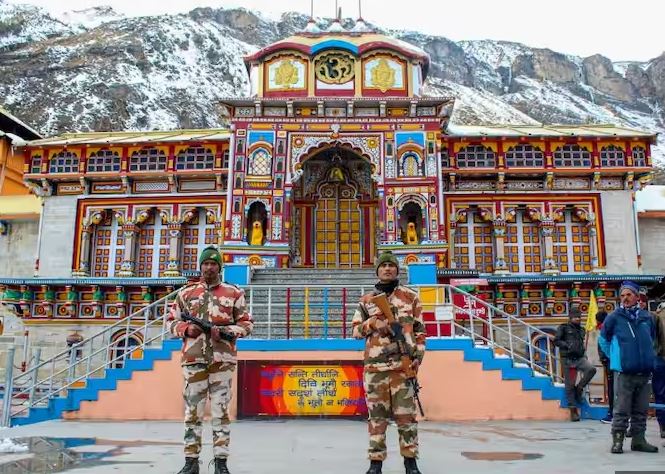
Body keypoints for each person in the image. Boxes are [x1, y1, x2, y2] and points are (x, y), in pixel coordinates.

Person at [169, 246, 254, 474]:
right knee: (192, 414)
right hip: (194, 361)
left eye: (213, 263)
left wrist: (226, 332)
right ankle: (191, 462)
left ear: (220, 266)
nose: (209, 267)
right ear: (200, 266)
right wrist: (186, 329)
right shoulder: (185, 294)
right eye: (205, 263)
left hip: (222, 362)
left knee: (220, 413)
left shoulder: (233, 293)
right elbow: (170, 322)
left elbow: (247, 324)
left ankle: (220, 463)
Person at [352, 251, 426, 474]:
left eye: (391, 266)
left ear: (397, 270)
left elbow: (421, 332)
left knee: (407, 419)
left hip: (403, 369)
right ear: (377, 270)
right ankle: (375, 464)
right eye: (383, 266)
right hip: (375, 369)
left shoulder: (410, 297)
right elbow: (355, 331)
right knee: (377, 418)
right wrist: (373, 323)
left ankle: (410, 463)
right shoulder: (366, 301)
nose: (387, 269)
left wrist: (417, 358)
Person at [599, 280, 658, 454]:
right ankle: (618, 441)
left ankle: (639, 441)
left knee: (641, 409)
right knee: (621, 408)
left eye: (629, 295)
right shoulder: (614, 318)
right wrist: (616, 358)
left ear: (637, 297)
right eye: (622, 295)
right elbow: (603, 340)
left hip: (645, 371)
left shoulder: (647, 317)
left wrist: (648, 357)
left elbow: (652, 339)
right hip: (624, 372)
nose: (625, 298)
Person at [553, 307, 597, 421]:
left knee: (591, 369)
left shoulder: (581, 330)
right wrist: (567, 345)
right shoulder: (563, 328)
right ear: (570, 317)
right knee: (570, 384)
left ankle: (580, 388)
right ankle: (573, 411)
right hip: (568, 359)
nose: (577, 319)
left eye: (579, 317)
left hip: (579, 358)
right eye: (575, 317)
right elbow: (556, 341)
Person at [595, 310, 614, 424]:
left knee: (612, 388)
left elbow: (604, 345)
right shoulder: (609, 327)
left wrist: (605, 359)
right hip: (612, 361)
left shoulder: (606, 329)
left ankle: (612, 413)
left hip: (611, 362)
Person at [652, 302, 665, 439]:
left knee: (660, 394)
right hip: (660, 358)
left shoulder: (655, 317)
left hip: (659, 359)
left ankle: (663, 426)